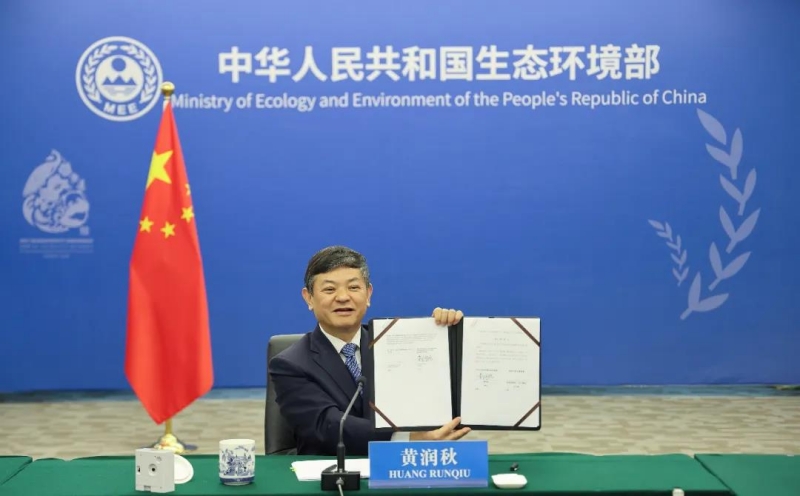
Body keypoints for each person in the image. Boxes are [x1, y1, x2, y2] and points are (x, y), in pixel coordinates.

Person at [268, 245, 471, 456]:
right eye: (329, 289)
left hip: (402, 468)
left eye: (353, 287)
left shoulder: (397, 345)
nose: (343, 297)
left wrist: (448, 336)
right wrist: (407, 439)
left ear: (368, 294)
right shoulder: (290, 364)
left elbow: (436, 393)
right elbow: (325, 426)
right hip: (331, 470)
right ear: (309, 298)